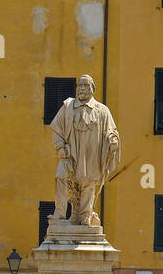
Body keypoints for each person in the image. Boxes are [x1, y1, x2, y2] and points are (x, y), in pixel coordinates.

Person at [49, 74, 121, 226]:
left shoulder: (102, 110)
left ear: (92, 89)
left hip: (91, 156)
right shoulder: (68, 107)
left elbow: (111, 130)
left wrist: (112, 140)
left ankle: (85, 216)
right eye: (80, 86)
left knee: (88, 185)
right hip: (70, 154)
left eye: (86, 85)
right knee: (60, 177)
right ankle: (59, 214)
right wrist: (60, 147)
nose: (82, 88)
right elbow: (56, 129)